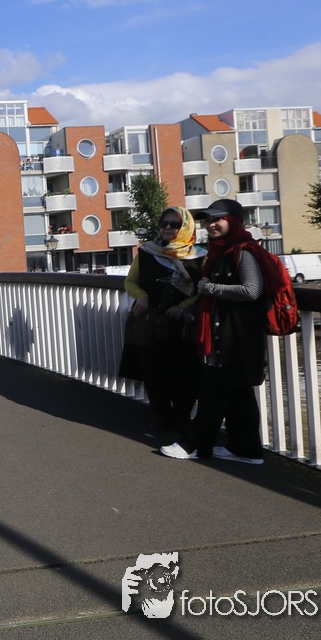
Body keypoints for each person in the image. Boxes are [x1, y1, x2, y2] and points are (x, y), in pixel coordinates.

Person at [160, 199, 267, 465]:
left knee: (213, 392)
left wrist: (210, 288)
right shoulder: (223, 251)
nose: (211, 225)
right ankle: (247, 449)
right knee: (239, 394)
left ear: (234, 221)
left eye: (217, 219)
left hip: (235, 337)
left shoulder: (243, 251)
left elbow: (252, 290)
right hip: (231, 334)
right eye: (208, 220)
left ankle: (195, 444)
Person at [118, 206, 205, 433]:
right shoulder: (148, 252)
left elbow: (203, 290)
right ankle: (160, 415)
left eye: (174, 224)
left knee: (186, 373)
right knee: (153, 371)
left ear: (186, 227)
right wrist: (142, 296)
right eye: (163, 223)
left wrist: (183, 307)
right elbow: (130, 281)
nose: (167, 228)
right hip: (153, 322)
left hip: (184, 325)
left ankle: (182, 417)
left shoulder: (200, 256)